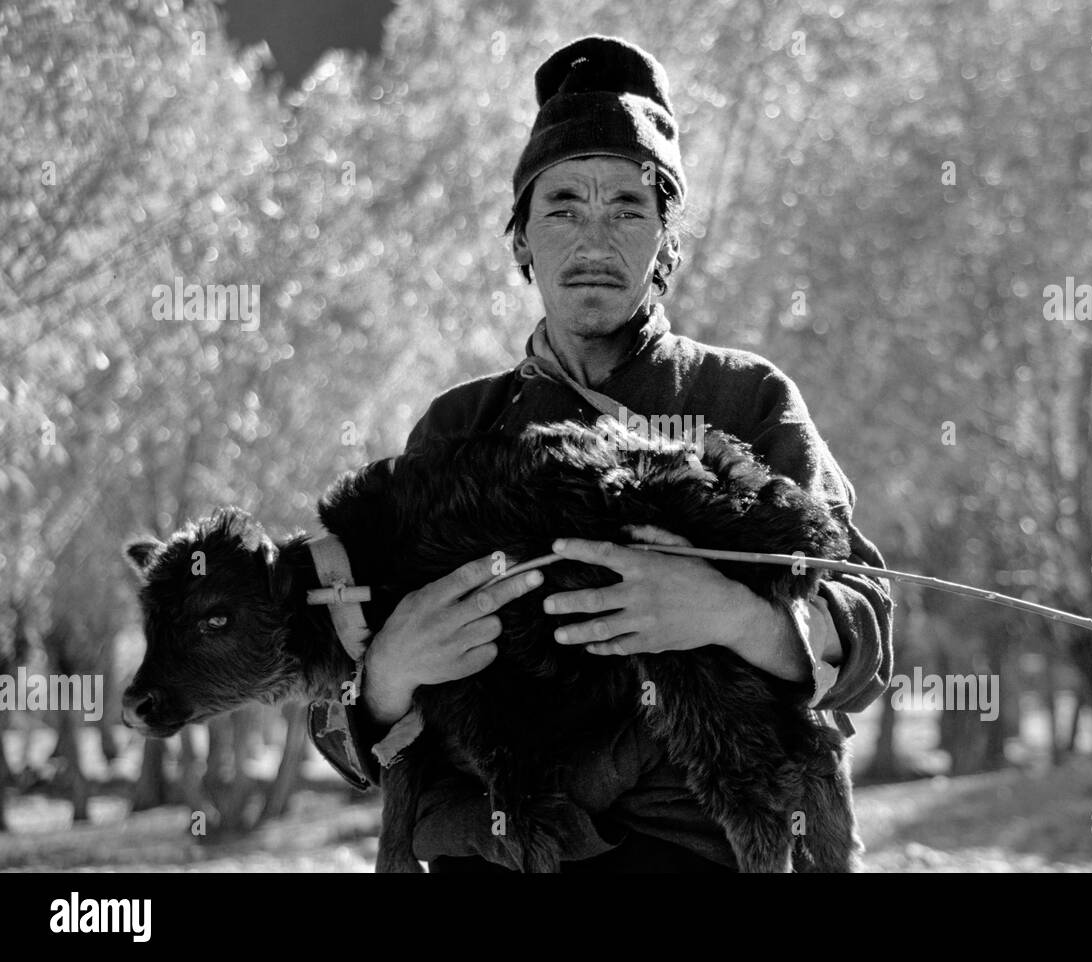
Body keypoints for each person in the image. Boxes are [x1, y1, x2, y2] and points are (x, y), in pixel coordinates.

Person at [308, 34, 894, 872]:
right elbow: (336, 711)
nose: (596, 240)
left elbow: (866, 635)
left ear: (666, 241)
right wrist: (393, 672)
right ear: (520, 240)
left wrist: (732, 616)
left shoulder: (745, 400)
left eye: (628, 208)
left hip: (709, 846)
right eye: (563, 207)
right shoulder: (457, 428)